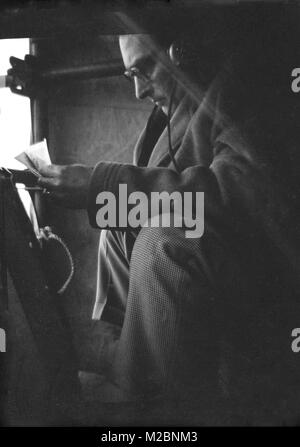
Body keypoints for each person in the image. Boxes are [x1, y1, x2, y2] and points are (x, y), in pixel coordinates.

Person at [38, 16, 300, 424]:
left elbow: (233, 194)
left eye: (144, 69)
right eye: (130, 75)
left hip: (272, 281)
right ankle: (124, 358)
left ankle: (153, 407)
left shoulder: (246, 86)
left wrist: (102, 185)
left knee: (163, 239)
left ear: (184, 53)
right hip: (224, 274)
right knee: (122, 220)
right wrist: (109, 197)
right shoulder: (171, 117)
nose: (139, 90)